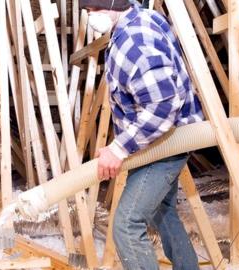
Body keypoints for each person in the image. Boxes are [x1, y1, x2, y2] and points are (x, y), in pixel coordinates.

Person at [80, 0, 204, 269]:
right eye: (87, 11)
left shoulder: (134, 41)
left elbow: (163, 104)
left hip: (164, 144)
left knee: (126, 225)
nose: (90, 18)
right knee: (163, 211)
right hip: (159, 141)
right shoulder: (143, 18)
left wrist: (118, 149)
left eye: (94, 10)